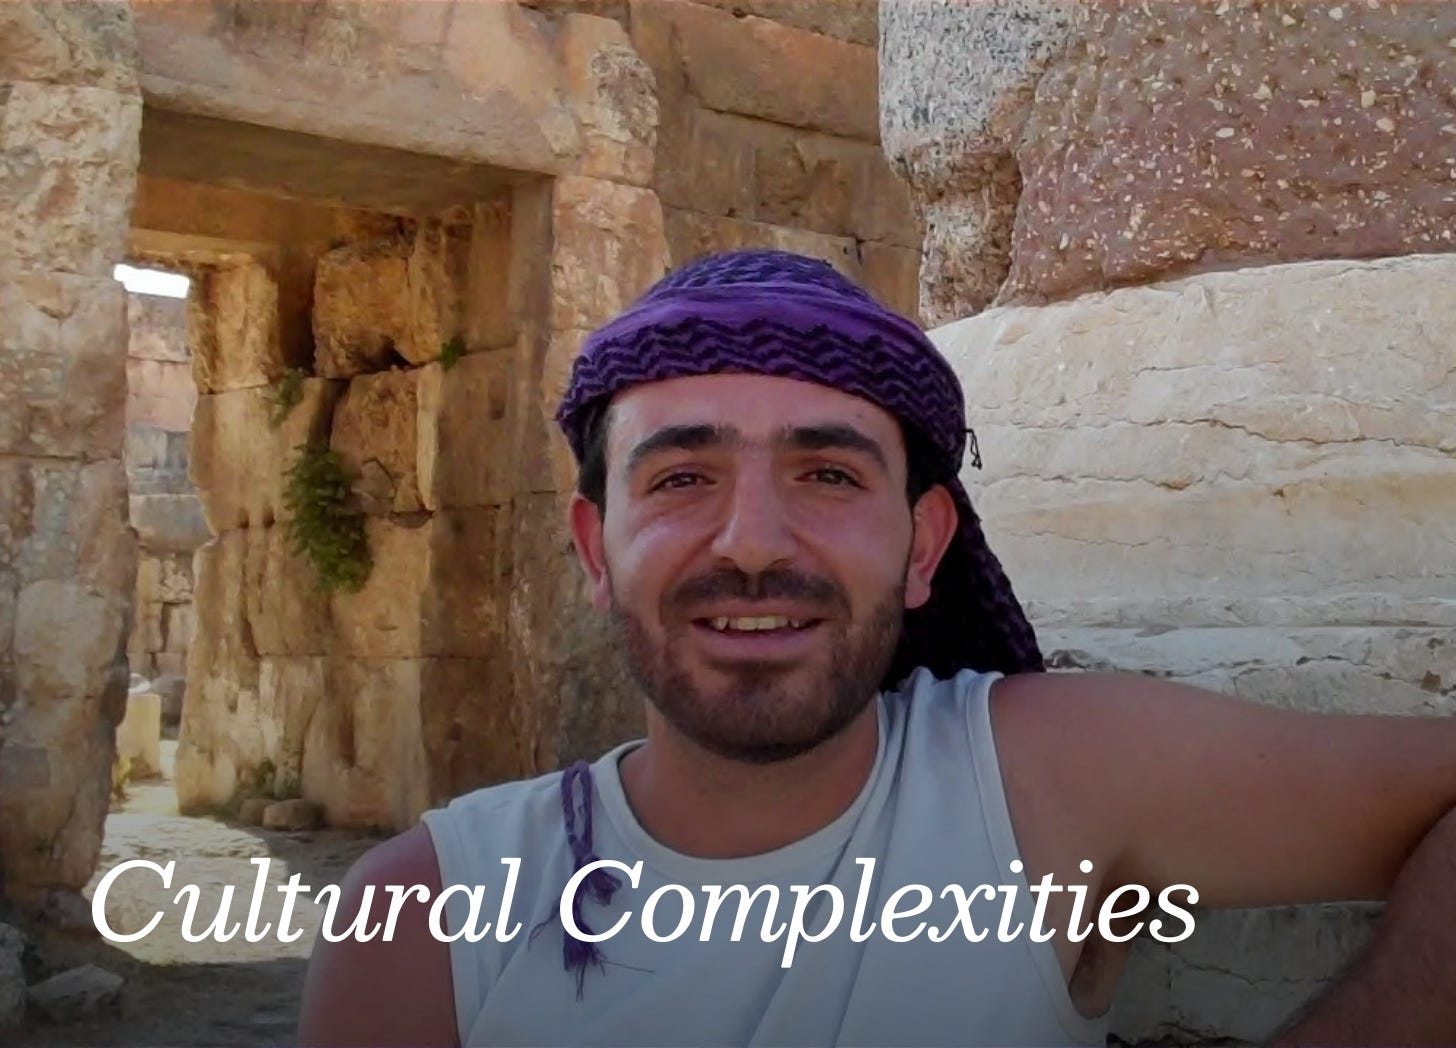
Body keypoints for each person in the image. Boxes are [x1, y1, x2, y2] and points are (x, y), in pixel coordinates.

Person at [297, 250, 1456, 1047]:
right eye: (684, 477)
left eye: (830, 475)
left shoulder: (1047, 784)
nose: (752, 541)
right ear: (597, 547)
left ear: (922, 543)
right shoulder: (423, 916)